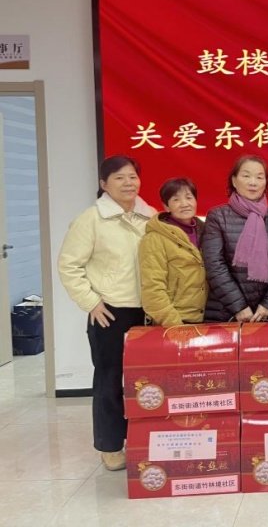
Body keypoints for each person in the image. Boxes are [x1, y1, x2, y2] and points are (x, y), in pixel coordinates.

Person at [57, 155, 156, 471]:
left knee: (148, 380)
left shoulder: (151, 217)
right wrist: (91, 302)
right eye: (119, 178)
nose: (128, 183)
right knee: (110, 378)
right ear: (104, 184)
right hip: (110, 312)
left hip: (149, 311)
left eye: (132, 177)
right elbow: (69, 265)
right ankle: (111, 446)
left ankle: (145, 440)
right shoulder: (91, 219)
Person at [202, 155, 268, 322]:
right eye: (246, 176)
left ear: (266, 183)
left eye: (259, 177)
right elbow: (214, 265)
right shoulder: (217, 216)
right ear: (234, 181)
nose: (253, 182)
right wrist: (239, 307)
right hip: (226, 312)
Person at [138, 177, 206, 326]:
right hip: (175, 322)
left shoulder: (206, 232)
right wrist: (175, 325)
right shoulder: (154, 239)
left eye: (189, 197)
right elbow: (152, 289)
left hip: (205, 320)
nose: (184, 204)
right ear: (166, 206)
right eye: (176, 199)